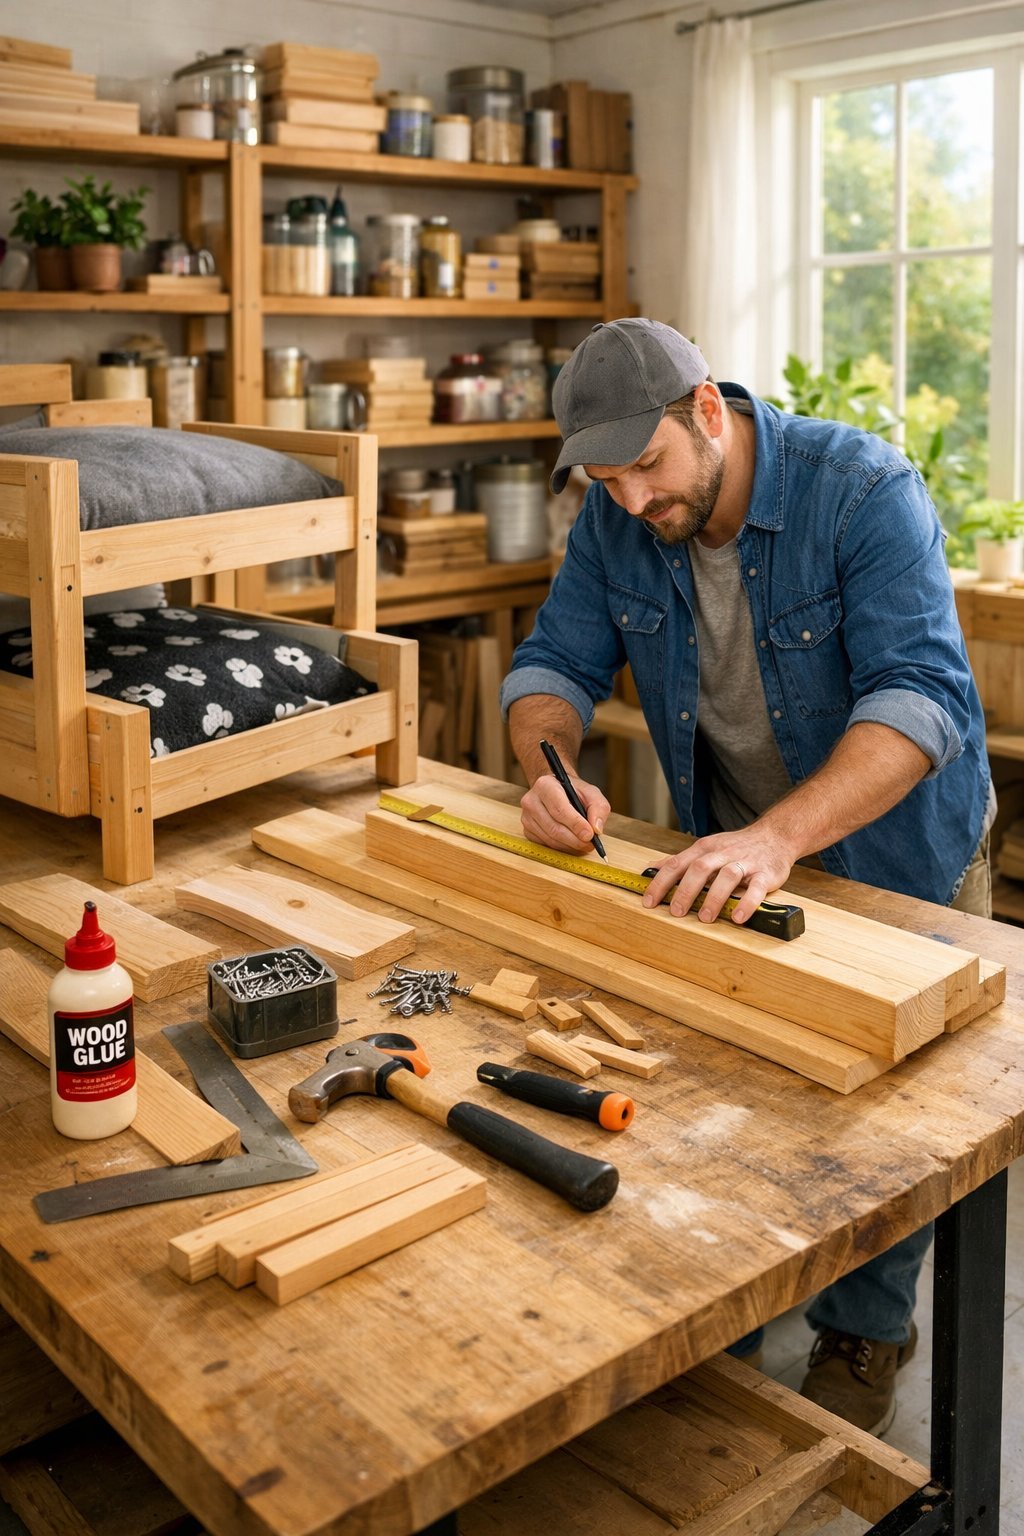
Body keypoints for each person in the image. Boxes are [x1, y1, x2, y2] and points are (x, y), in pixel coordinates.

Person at [499, 317, 994, 1436]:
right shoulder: (615, 517)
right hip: (734, 847)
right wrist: (550, 763)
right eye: (606, 477)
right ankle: (739, 1298)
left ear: (709, 411)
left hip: (900, 855)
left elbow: (922, 702)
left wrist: (778, 839)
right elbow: (552, 663)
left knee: (888, 1127)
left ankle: (864, 1332)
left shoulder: (863, 491)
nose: (631, 501)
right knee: (752, 1097)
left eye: (647, 467)